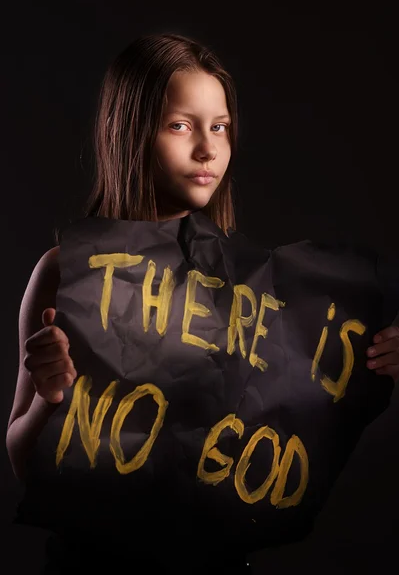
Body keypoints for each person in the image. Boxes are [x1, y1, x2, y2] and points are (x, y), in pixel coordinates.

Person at [6, 32, 399, 574]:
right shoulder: (68, 273)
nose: (208, 149)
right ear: (130, 131)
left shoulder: (247, 290)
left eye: (220, 128)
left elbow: (311, 400)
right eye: (180, 125)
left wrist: (379, 354)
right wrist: (50, 399)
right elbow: (24, 463)